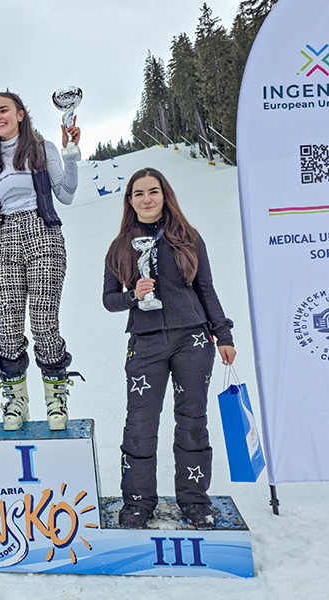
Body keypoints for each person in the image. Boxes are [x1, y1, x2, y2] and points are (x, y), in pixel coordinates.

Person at [102, 167, 236, 529]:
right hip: (145, 341)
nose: (146, 199)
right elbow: (109, 299)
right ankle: (138, 502)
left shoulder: (188, 237)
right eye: (138, 193)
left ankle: (194, 500)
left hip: (192, 339)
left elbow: (205, 288)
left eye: (153, 192)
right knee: (139, 425)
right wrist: (133, 296)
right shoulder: (120, 246)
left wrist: (223, 335)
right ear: (130, 201)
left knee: (192, 421)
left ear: (165, 196)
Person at [0, 91, 81, 431]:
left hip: (42, 233)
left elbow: (66, 194)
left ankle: (56, 398)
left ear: (20, 114)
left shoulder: (42, 149)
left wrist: (70, 155)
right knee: (7, 327)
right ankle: (16, 401)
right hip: (6, 239)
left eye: (4, 110)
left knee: (43, 321)